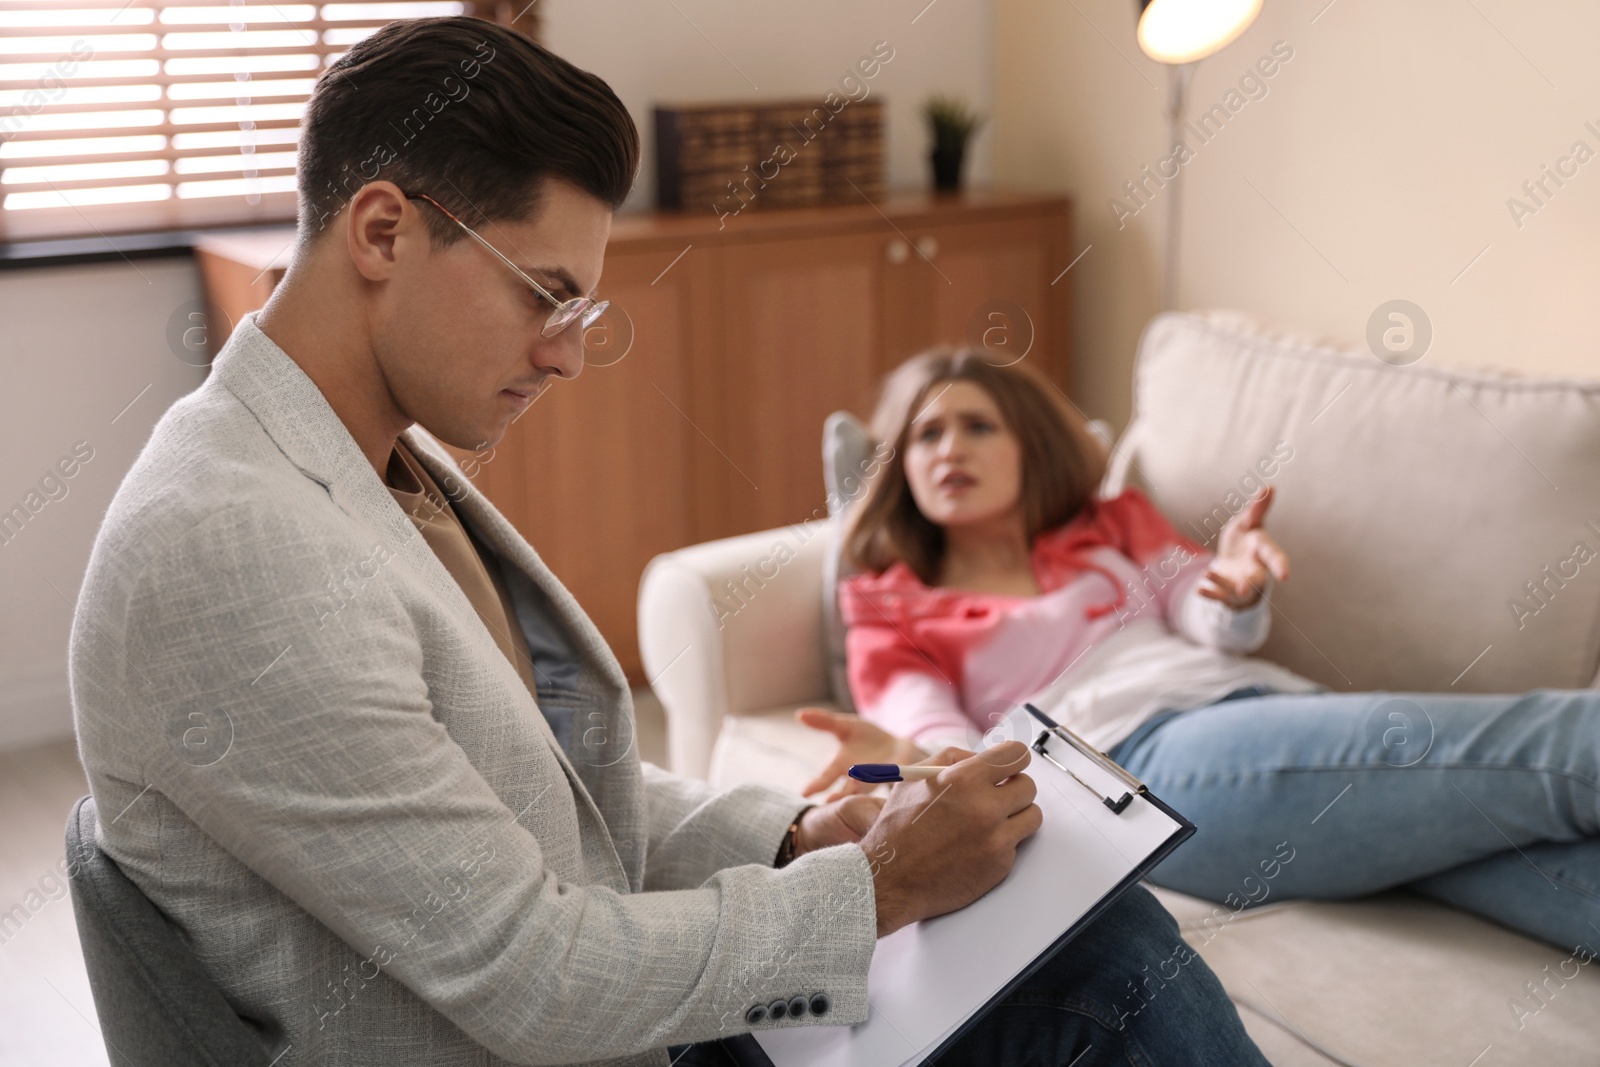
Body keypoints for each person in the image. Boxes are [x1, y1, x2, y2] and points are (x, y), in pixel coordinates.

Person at [67, 18, 1270, 1067]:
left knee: (1072, 932)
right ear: (382, 231)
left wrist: (801, 831)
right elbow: (528, 970)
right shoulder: (233, 542)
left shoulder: (365, 454)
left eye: (580, 309)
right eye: (543, 294)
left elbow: (519, 791)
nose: (567, 352)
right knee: (1107, 972)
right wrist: (880, 885)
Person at [799, 346, 1600, 955]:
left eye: (978, 425)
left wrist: (1236, 586)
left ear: (1029, 445)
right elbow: (948, 745)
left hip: (1269, 709)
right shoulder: (889, 601)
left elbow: (1201, 606)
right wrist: (915, 755)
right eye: (926, 433)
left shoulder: (1111, 525)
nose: (949, 448)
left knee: (1517, 850)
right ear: (900, 464)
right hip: (1136, 763)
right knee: (1543, 742)